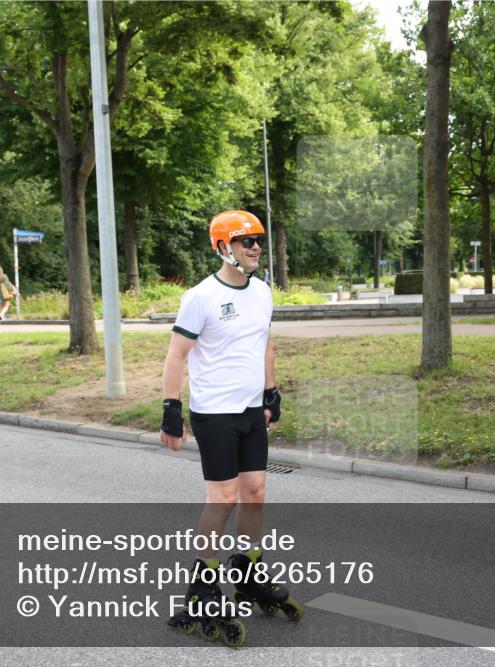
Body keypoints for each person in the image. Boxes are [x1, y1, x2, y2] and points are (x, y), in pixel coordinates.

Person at [160, 210, 299, 645]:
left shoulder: (262, 292)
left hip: (250, 410)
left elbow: (265, 342)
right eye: (245, 241)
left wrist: (271, 394)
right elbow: (176, 355)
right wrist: (170, 407)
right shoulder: (200, 296)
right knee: (222, 498)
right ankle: (203, 583)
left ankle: (247, 569)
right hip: (214, 412)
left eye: (257, 240)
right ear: (223, 248)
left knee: (256, 492)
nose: (255, 247)